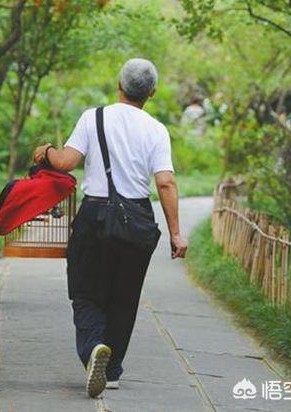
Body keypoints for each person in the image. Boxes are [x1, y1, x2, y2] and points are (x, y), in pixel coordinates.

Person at [33, 58, 188, 398]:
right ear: (152, 92)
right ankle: (112, 369)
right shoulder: (157, 130)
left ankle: (93, 350)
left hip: (95, 215)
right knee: (124, 296)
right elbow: (165, 183)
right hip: (137, 220)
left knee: (86, 292)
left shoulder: (94, 117)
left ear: (119, 84)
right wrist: (176, 233)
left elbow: (65, 163)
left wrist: (45, 150)